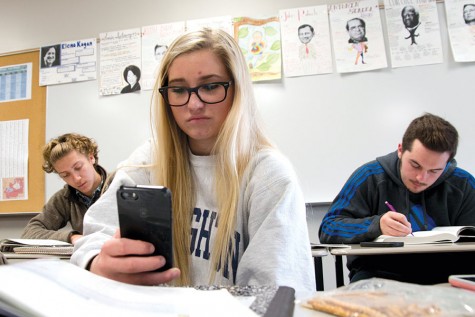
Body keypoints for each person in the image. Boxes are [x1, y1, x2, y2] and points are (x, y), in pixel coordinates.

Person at [71, 28, 315, 295]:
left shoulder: (269, 176)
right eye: (178, 90)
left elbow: (278, 293)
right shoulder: (149, 160)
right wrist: (97, 262)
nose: (194, 104)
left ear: (237, 89)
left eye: (210, 86)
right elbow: (94, 237)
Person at [319, 113, 475, 285]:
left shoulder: (464, 184)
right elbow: (329, 228)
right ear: (400, 150)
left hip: (447, 277)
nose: (421, 178)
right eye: (415, 165)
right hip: (379, 275)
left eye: (434, 171)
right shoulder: (370, 177)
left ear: (447, 163)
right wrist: (376, 226)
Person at [21, 133, 108, 244]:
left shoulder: (119, 184)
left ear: (91, 158)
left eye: (78, 167)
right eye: (65, 175)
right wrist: (71, 237)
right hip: (89, 258)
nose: (76, 179)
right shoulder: (64, 198)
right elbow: (29, 232)